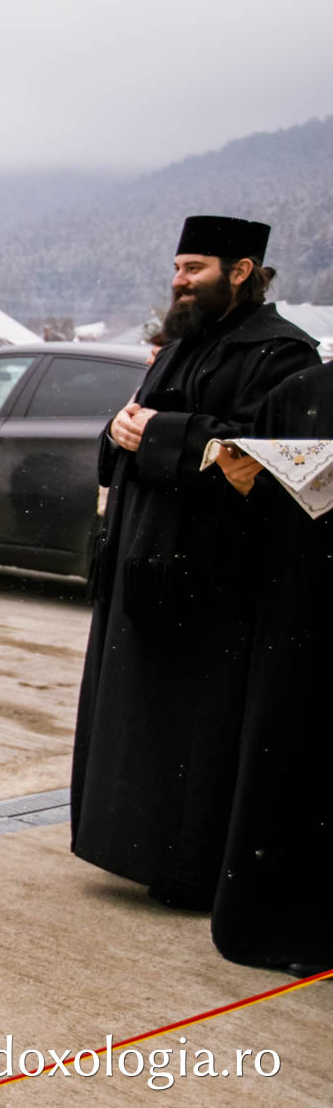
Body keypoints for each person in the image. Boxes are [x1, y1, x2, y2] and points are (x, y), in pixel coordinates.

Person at [71, 215, 317, 909]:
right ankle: (128, 847)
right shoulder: (179, 344)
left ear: (241, 272)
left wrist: (159, 433)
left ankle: (189, 866)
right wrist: (120, 430)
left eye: (194, 269)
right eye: (177, 267)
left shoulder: (283, 354)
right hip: (140, 568)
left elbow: (270, 457)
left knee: (194, 733)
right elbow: (136, 424)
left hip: (210, 582)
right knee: (134, 720)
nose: (179, 281)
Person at [209, 362, 333, 977]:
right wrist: (245, 481)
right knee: (289, 762)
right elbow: (256, 521)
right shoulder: (301, 394)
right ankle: (280, 925)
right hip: (300, 613)